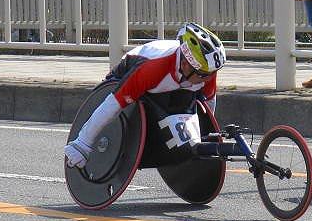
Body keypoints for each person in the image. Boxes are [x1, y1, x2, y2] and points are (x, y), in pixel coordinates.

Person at [64, 23, 226, 168]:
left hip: (170, 84)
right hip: (130, 71)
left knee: (190, 99)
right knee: (125, 103)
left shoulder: (206, 71)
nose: (209, 79)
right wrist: (82, 143)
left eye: (212, 74)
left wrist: (205, 139)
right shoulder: (153, 70)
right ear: (185, 64)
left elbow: (209, 106)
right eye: (204, 75)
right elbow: (112, 104)